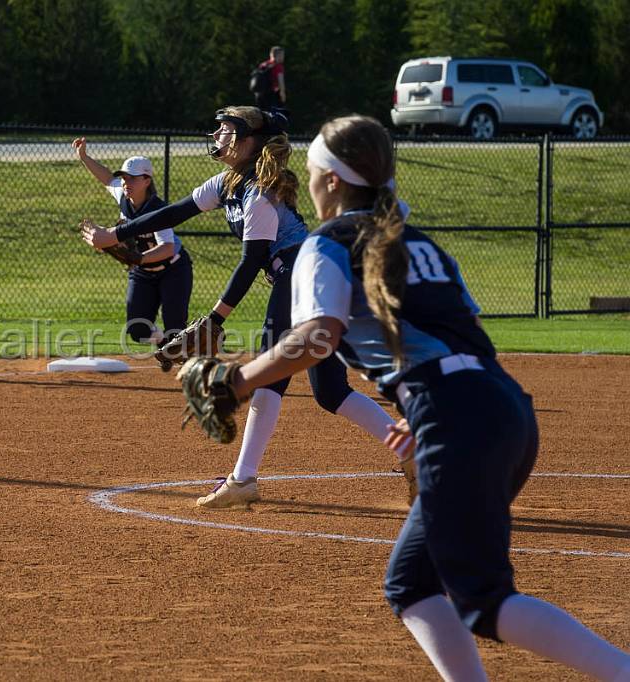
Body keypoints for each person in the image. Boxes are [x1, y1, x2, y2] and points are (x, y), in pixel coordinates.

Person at [181, 114, 630, 680]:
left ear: (335, 182)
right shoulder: (422, 244)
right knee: (413, 586)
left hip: (458, 415)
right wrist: (428, 417)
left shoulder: (328, 243)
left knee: (481, 600)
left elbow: (317, 337)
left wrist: (237, 381)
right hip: (502, 406)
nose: (312, 184)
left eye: (317, 173)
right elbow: (464, 341)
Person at [82, 106, 398, 509]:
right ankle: (412, 453)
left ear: (247, 140)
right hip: (304, 276)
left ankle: (243, 478)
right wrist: (117, 233)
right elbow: (176, 211)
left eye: (225, 129)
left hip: (302, 275)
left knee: (272, 372)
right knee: (331, 391)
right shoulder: (230, 181)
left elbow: (253, 260)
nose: (217, 134)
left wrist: (215, 318)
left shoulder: (259, 192)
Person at [72, 138, 193, 345]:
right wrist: (84, 157)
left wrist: (137, 258)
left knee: (175, 328)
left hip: (173, 270)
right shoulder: (123, 195)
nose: (127, 183)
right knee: (138, 330)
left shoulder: (158, 211)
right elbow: (107, 178)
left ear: (147, 180)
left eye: (133, 179)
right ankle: (164, 343)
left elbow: (168, 248)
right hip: (143, 272)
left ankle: (188, 343)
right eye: (125, 178)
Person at [252, 46, 286, 112]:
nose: (283, 57)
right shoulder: (278, 66)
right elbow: (281, 81)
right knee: (274, 115)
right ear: (278, 55)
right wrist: (283, 94)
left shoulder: (263, 64)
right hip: (271, 94)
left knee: (262, 114)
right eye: (282, 55)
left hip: (259, 94)